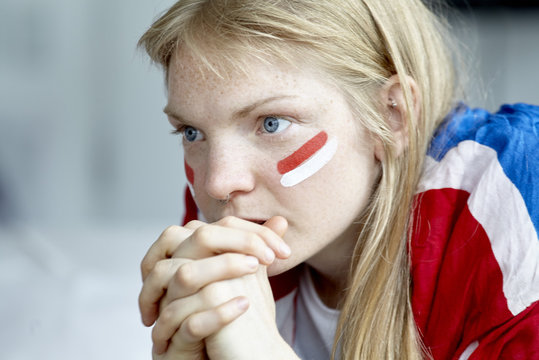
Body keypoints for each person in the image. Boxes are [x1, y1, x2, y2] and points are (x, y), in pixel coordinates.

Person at [136, 0, 539, 359]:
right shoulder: (230, 223)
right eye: (192, 132)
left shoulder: (510, 188)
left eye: (272, 124)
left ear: (392, 117)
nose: (217, 184)